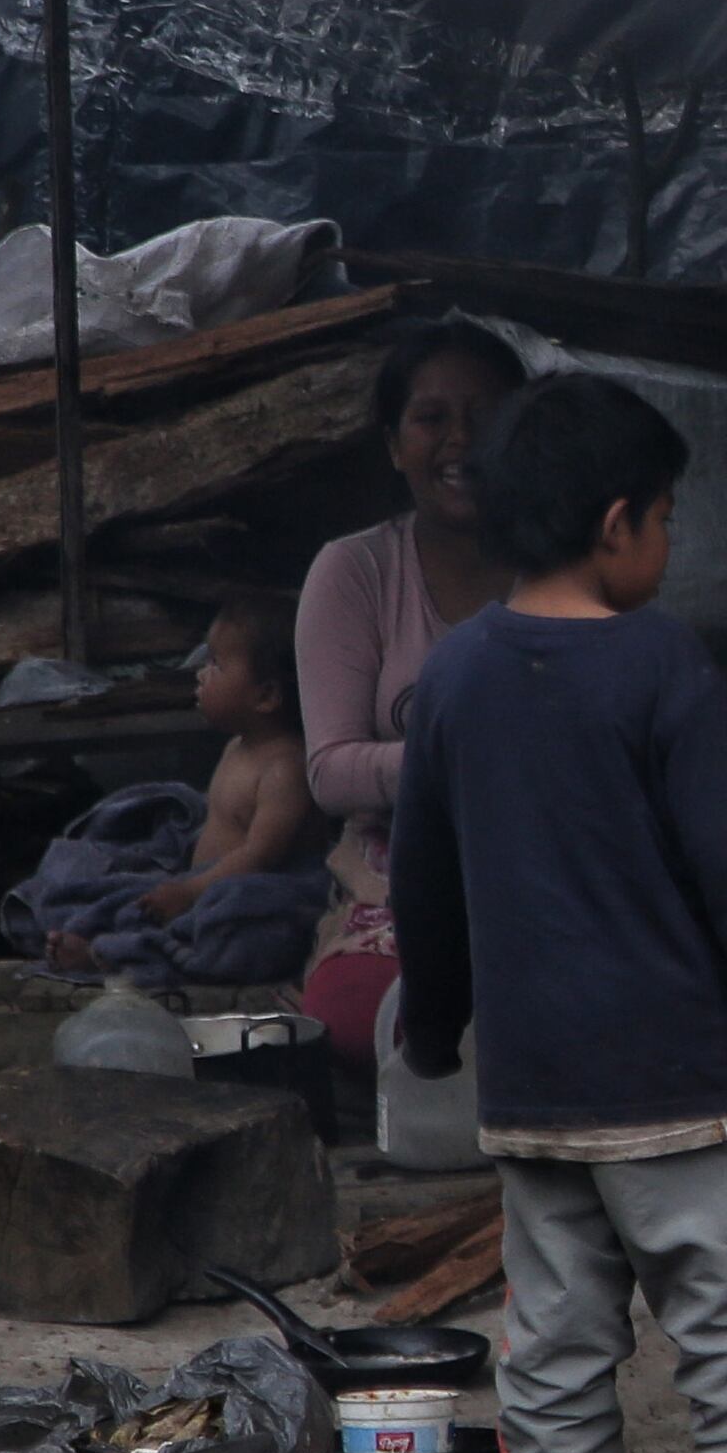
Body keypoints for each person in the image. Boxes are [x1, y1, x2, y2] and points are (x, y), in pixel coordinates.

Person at [391, 372, 727, 1453]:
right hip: (684, 1090)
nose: (667, 541)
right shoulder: (660, 665)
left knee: (550, 1333)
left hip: (536, 1091)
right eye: (665, 517)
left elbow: (420, 882)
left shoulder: (454, 678)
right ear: (616, 524)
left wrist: (433, 1027)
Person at [290, 318, 527, 1062]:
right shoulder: (354, 570)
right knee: (367, 1017)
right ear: (395, 444)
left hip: (547, 855)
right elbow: (330, 770)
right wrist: (469, 759)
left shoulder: (565, 565)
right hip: (395, 873)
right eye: (432, 420)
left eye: (487, 419)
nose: (460, 441)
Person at [16, 597, 327, 986]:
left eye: (215, 664)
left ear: (265, 696)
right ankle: (102, 936)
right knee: (114, 882)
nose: (200, 673)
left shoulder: (285, 769)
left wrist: (191, 892)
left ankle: (109, 955)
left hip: (231, 892)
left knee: (233, 918)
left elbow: (260, 858)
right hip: (194, 882)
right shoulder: (238, 747)